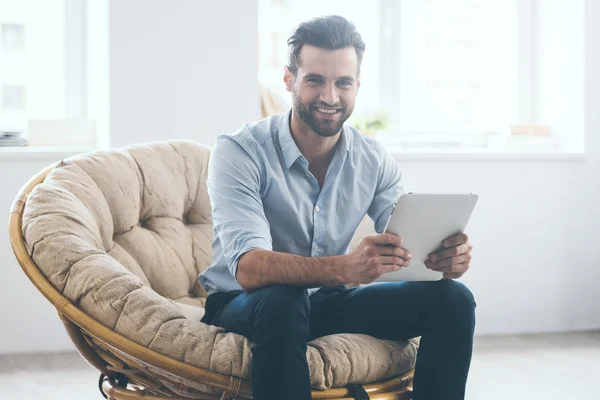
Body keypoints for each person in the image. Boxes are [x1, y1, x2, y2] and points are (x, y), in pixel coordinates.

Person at [198, 15, 476, 400]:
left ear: (357, 85)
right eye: (315, 80)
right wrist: (345, 268)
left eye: (343, 82)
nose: (330, 97)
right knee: (284, 298)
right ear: (289, 79)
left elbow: (410, 244)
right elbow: (248, 267)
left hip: (325, 302)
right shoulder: (239, 151)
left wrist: (446, 260)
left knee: (454, 300)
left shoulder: (372, 159)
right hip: (244, 304)